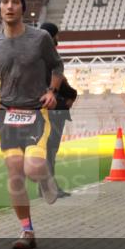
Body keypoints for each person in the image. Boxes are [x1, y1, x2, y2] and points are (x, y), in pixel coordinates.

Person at [0, 0, 64, 249]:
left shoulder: (41, 38)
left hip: (36, 112)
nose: (9, 6)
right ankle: (27, 232)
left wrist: (52, 91)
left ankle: (47, 179)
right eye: (4, 2)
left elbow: (57, 66)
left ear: (23, 8)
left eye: (14, 2)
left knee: (33, 168)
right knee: (15, 174)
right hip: (8, 114)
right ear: (0, 8)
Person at [38, 22, 77, 198]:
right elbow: (58, 79)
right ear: (52, 36)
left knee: (46, 150)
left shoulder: (36, 53)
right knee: (50, 150)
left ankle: (45, 187)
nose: (58, 39)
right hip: (52, 110)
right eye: (57, 35)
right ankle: (49, 188)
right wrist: (71, 94)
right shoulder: (48, 55)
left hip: (41, 109)